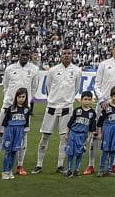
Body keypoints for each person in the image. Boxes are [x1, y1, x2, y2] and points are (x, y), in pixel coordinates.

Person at [0, 45, 40, 177]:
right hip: (8, 106)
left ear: (30, 55)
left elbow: (33, 88)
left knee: (23, 136)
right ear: (18, 55)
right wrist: (8, 102)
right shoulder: (10, 69)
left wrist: (26, 104)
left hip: (24, 109)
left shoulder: (34, 70)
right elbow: (6, 87)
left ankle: (20, 165)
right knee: (0, 135)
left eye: (27, 55)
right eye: (23, 54)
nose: (25, 57)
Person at [33, 45, 82, 174]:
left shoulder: (77, 71)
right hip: (52, 107)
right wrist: (53, 99)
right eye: (64, 53)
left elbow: (76, 88)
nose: (66, 55)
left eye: (68, 53)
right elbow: (48, 87)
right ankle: (39, 164)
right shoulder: (53, 70)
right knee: (45, 136)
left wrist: (67, 99)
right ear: (61, 55)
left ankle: (60, 165)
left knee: (64, 138)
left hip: (67, 108)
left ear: (72, 55)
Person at [87, 41, 115, 174]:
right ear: (112, 49)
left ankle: (113, 164)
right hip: (103, 104)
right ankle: (91, 165)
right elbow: (96, 84)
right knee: (96, 134)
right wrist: (101, 100)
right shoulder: (104, 64)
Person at [1, 88, 31, 180]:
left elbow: (26, 123)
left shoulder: (27, 110)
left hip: (20, 131)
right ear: (16, 97)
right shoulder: (11, 108)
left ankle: (10, 171)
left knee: (14, 152)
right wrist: (6, 135)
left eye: (23, 97)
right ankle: (4, 171)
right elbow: (5, 123)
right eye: (19, 97)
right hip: (10, 130)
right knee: (8, 151)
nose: (21, 99)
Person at [64, 91, 97, 177]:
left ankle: (76, 170)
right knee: (70, 153)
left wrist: (89, 138)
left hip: (83, 136)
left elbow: (92, 128)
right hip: (73, 134)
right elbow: (70, 123)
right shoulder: (77, 110)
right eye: (85, 99)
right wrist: (67, 134)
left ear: (92, 100)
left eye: (89, 99)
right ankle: (69, 170)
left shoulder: (92, 113)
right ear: (81, 100)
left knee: (79, 153)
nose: (87, 101)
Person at [96, 85, 115, 176]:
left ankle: (109, 169)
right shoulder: (106, 107)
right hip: (108, 130)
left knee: (113, 150)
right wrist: (100, 133)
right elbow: (100, 122)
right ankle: (101, 169)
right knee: (105, 150)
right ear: (111, 96)